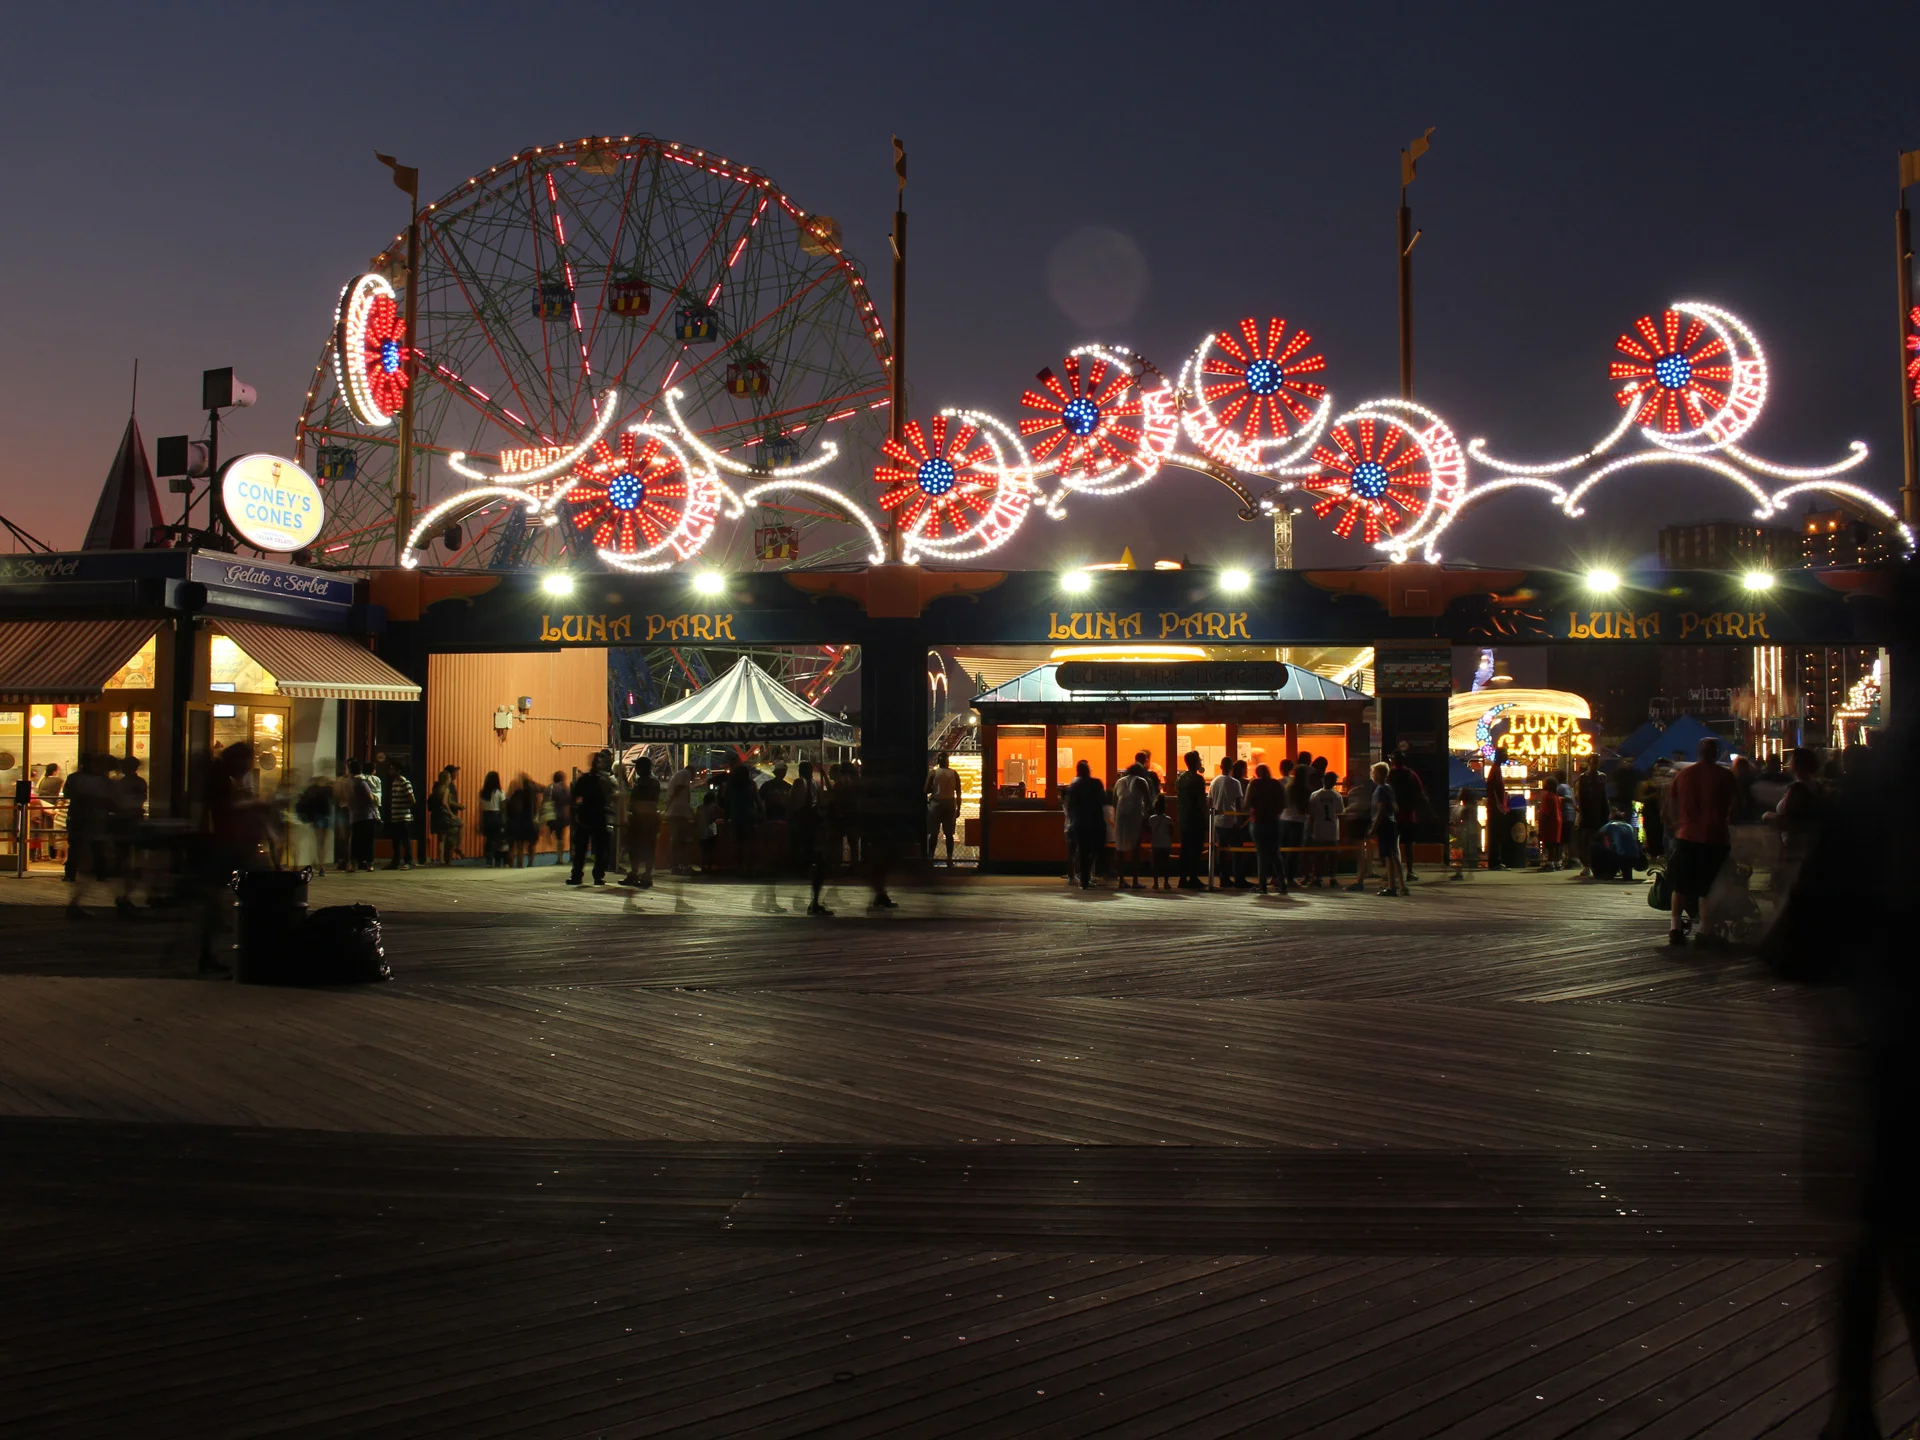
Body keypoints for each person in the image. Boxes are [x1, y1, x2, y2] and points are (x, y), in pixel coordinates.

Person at [1666, 737, 1738, 946]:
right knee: (1709, 886)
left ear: (1698, 752)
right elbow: (1737, 804)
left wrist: (1676, 824)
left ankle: (1675, 928)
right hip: (1715, 837)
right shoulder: (1725, 776)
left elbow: (1669, 805)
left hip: (1687, 835)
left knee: (1681, 885)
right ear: (1715, 753)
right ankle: (1705, 931)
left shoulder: (1683, 775)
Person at [63, 752, 116, 919]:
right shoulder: (103, 781)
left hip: (81, 817)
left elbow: (68, 794)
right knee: (94, 846)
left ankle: (73, 873)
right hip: (94, 818)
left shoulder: (75, 778)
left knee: (78, 846)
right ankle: (99, 872)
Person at [566, 751, 617, 886]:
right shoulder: (597, 780)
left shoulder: (600, 780)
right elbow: (574, 796)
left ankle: (593, 875)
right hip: (589, 816)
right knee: (584, 849)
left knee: (598, 849)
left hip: (596, 816)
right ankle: (580, 875)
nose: (596, 764)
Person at [1064, 758, 1107, 890]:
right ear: (1089, 771)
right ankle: (1088, 875)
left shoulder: (1074, 786)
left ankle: (1084, 880)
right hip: (1095, 821)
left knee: (1082, 851)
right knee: (1094, 850)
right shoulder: (1097, 783)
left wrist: (1072, 819)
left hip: (1080, 822)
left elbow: (1069, 805)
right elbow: (1103, 801)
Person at [1244, 762, 1286, 896]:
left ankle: (1262, 885)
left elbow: (1246, 803)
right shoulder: (1276, 784)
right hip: (1274, 821)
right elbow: (1284, 803)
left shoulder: (1254, 784)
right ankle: (1282, 883)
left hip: (1258, 821)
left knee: (1261, 853)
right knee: (1275, 853)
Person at [1111, 755, 1152, 890]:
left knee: (1121, 849)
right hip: (1135, 814)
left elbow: (1114, 800)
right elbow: (1148, 800)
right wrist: (1148, 816)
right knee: (1135, 848)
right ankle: (1135, 880)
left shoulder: (1120, 781)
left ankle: (1122, 880)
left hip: (1121, 815)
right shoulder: (1141, 781)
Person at [621, 756, 662, 887]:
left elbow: (636, 801)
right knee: (647, 847)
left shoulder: (645, 782)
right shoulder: (654, 782)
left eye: (637, 766)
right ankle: (645, 874)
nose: (636, 769)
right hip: (649, 819)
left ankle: (638, 873)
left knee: (636, 847)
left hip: (641, 818)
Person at [1386, 753, 1428, 881]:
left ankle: (1391, 872)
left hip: (1392, 815)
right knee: (1409, 845)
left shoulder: (1389, 775)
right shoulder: (1411, 774)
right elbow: (1421, 793)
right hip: (1409, 814)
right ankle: (1410, 872)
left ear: (1393, 761)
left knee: (1392, 845)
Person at [1370, 760, 1407, 897]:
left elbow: (1380, 810)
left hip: (1384, 824)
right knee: (1394, 855)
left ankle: (1391, 886)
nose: (1372, 775)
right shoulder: (1389, 788)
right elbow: (1394, 807)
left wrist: (1373, 828)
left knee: (1388, 857)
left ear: (1378, 774)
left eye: (1373, 772)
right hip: (1391, 823)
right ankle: (1402, 885)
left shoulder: (1380, 790)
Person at [1210, 759, 1247, 890]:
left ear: (1220, 766)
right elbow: (1238, 804)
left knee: (1222, 851)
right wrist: (1240, 820)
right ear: (1232, 767)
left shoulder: (1214, 782)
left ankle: (1223, 878)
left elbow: (1210, 801)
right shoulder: (1235, 782)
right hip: (1231, 821)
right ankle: (1239, 878)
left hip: (1217, 821)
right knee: (1237, 850)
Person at [1175, 750, 1208, 891]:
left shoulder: (1180, 779)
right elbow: (1201, 802)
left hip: (1184, 817)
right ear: (1195, 762)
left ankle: (1182, 878)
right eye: (1199, 760)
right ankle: (1193, 877)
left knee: (1185, 848)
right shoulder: (1198, 779)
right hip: (1195, 818)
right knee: (1196, 849)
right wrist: (1206, 818)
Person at [1575, 754, 1610, 879]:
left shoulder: (1602, 777)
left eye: (1597, 762)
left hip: (1600, 813)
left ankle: (1600, 864)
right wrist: (1581, 814)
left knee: (1600, 839)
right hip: (1588, 812)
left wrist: (1607, 812)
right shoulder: (1584, 778)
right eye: (1594, 762)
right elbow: (1581, 797)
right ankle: (1587, 865)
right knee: (1586, 840)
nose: (1596, 765)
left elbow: (1604, 797)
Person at [297, 769, 337, 877]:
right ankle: (321, 866)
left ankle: (320, 864)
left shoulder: (313, 789)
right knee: (322, 842)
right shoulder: (326, 789)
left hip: (319, 816)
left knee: (320, 842)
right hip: (323, 816)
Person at [1308, 770, 1344, 887]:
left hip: (1319, 827)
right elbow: (1340, 811)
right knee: (1333, 855)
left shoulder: (1315, 795)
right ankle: (1333, 877)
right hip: (1332, 828)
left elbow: (1311, 812)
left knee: (1319, 855)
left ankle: (1317, 878)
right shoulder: (1337, 796)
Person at [1281, 760, 1313, 891]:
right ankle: (1290, 878)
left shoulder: (1289, 787)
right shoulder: (1304, 789)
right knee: (1294, 851)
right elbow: (1303, 809)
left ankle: (1279, 876)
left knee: (1283, 850)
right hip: (1297, 822)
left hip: (1284, 819)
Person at [926, 752, 962, 865]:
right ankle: (949, 858)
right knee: (949, 834)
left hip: (936, 804)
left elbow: (925, 790)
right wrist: (958, 808)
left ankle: (931, 857)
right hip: (950, 804)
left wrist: (934, 789)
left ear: (938, 762)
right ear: (948, 762)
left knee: (933, 833)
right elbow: (959, 792)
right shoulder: (954, 773)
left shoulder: (933, 773)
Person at [1588, 810, 1646, 881]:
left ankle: (1606, 872)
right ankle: (1625, 872)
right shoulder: (1629, 826)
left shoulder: (1610, 825)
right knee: (1624, 852)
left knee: (1594, 845)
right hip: (1634, 858)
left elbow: (1597, 835)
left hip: (1619, 857)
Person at [345, 759, 380, 871]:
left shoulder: (347, 783)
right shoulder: (362, 782)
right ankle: (369, 863)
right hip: (367, 815)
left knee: (355, 840)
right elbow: (369, 797)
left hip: (354, 816)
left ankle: (353, 863)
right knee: (368, 840)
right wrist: (376, 799)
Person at [382, 761, 417, 870]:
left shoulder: (404, 782)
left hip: (403, 816)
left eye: (392, 769)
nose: (390, 771)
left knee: (405, 840)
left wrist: (404, 806)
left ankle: (408, 861)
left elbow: (412, 799)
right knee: (395, 841)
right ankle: (395, 862)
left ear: (398, 770)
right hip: (395, 817)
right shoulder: (394, 782)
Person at [664, 763, 696, 876]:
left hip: (676, 812)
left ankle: (677, 866)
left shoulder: (679, 774)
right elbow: (680, 787)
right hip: (678, 813)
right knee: (680, 841)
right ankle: (680, 866)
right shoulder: (685, 773)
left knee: (677, 841)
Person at [1483, 751, 1509, 870]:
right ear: (1500, 756)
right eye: (1505, 753)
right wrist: (1499, 806)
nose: (1507, 756)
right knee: (1496, 834)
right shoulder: (1495, 770)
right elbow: (1492, 790)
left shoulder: (1496, 769)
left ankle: (1495, 861)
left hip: (1495, 806)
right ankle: (1495, 862)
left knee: (1496, 834)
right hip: (1495, 807)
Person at [476, 770, 505, 867]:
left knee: (489, 839)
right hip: (496, 816)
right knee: (497, 839)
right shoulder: (499, 792)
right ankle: (497, 861)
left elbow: (480, 808)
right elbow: (503, 808)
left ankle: (489, 859)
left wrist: (480, 822)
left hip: (486, 817)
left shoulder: (482, 792)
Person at [1147, 795, 1174, 890]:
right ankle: (1166, 883)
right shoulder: (1168, 819)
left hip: (1155, 844)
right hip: (1166, 844)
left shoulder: (1151, 819)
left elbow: (1149, 831)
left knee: (1156, 864)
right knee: (1166, 864)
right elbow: (1171, 832)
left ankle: (1156, 883)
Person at [546, 770, 572, 864]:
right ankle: (560, 857)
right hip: (562, 815)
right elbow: (570, 801)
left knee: (552, 833)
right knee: (560, 837)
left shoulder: (550, 788)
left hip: (551, 815)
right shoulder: (566, 788)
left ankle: (549, 842)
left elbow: (546, 801)